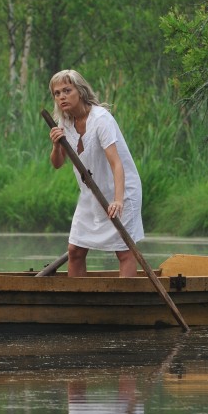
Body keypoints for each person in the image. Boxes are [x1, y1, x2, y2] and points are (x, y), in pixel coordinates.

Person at [47, 69, 144, 277]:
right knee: (75, 251)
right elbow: (57, 163)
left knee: (124, 251)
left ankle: (125, 303)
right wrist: (56, 146)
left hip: (121, 191)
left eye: (67, 90)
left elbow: (117, 164)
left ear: (80, 91)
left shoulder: (101, 120)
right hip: (91, 193)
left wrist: (118, 201)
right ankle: (78, 304)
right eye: (57, 93)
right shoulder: (64, 122)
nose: (62, 96)